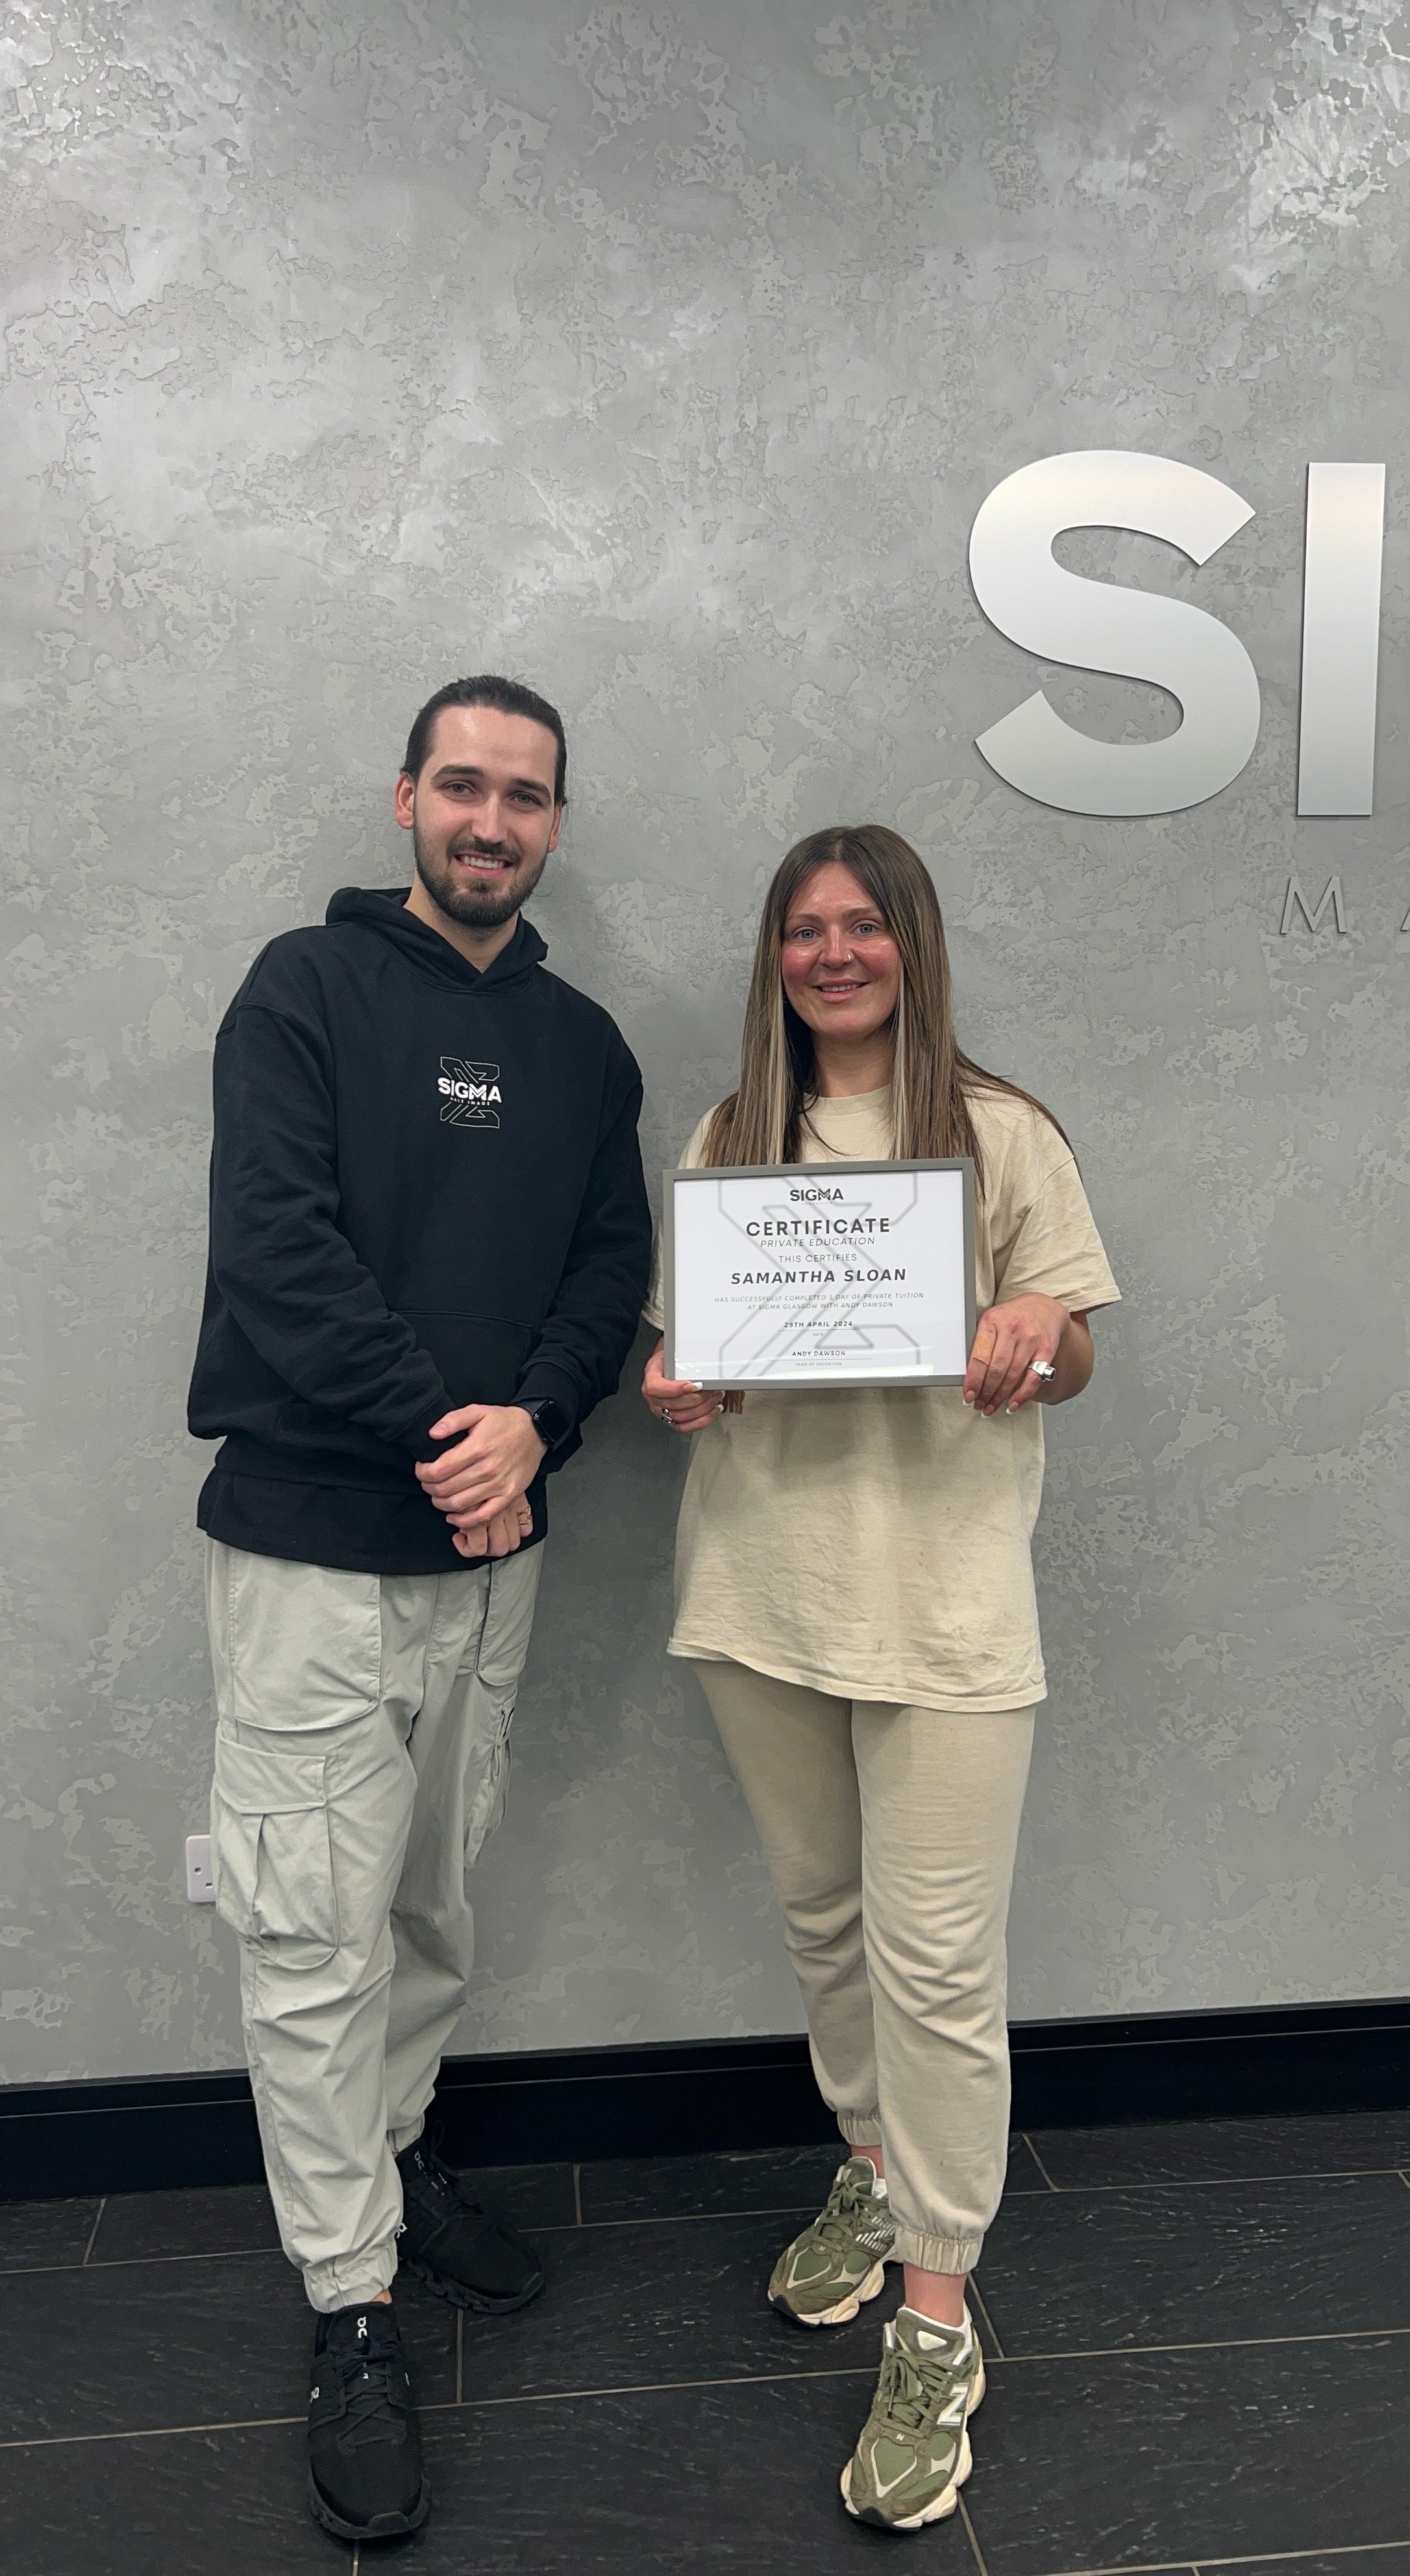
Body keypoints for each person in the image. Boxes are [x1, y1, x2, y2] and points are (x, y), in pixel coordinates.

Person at [188, 674, 650, 2543]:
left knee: (431, 1902)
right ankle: (350, 2304)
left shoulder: (587, 1044)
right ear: (403, 803)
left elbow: (608, 1263)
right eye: (460, 786)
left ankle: (388, 2159)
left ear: (553, 824)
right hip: (311, 1549)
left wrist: (532, 1425)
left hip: (490, 1564)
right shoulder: (298, 997)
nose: (490, 820)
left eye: (524, 796)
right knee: (310, 1938)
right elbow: (275, 1246)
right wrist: (444, 1435)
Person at [642, 823, 1119, 2535]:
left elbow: (1071, 1348)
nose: (830, 952)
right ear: (772, 957)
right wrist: (675, 1381)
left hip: (942, 1612)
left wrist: (1030, 1336)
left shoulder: (1001, 1136)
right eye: (801, 929)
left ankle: (934, 2312)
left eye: (860, 926)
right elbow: (690, 1345)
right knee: (826, 1924)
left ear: (911, 944)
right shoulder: (728, 1138)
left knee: (934, 1965)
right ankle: (864, 2170)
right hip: (762, 1592)